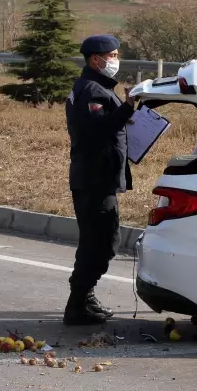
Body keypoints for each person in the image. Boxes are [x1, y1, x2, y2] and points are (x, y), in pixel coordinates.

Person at [64, 34, 134, 326]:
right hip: (94, 180)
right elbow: (97, 132)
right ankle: (78, 303)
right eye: (113, 55)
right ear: (96, 59)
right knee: (101, 243)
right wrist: (128, 108)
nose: (116, 60)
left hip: (97, 178)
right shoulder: (92, 90)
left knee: (99, 242)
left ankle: (83, 298)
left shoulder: (97, 88)